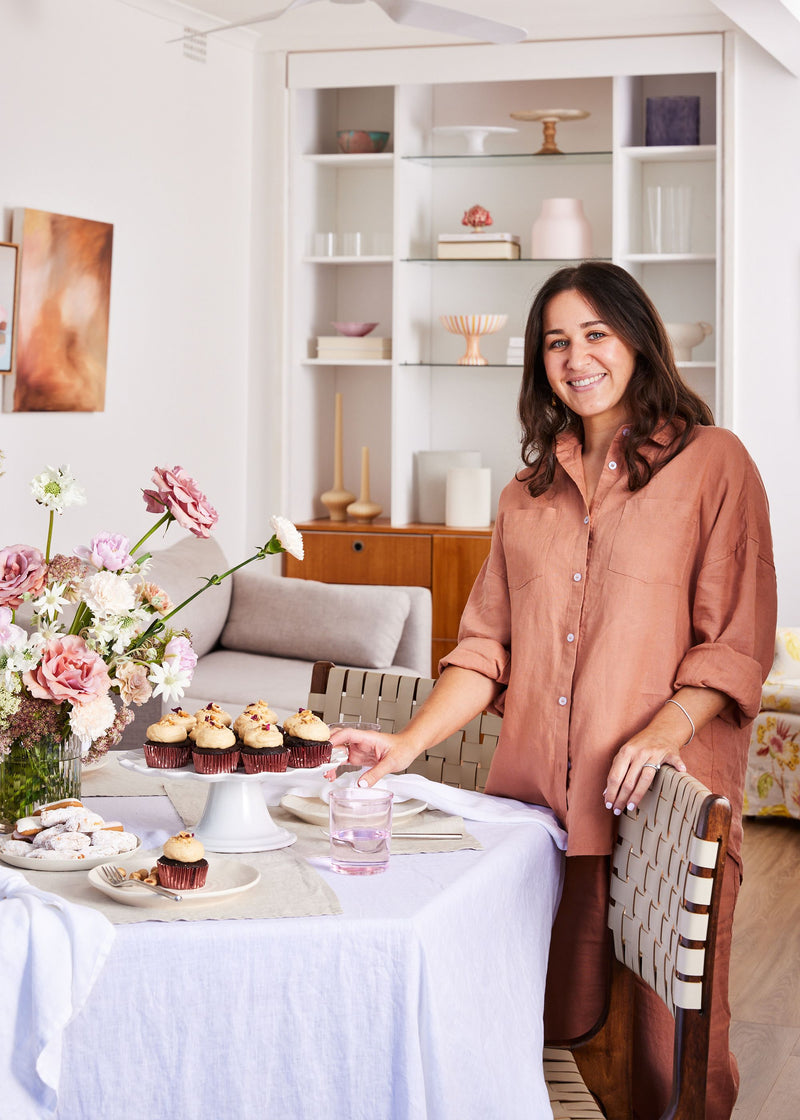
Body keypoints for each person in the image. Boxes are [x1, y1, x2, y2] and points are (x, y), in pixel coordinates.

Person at [331, 261, 777, 1119]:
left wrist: (662, 731)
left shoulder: (713, 464)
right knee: (531, 1027)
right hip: (542, 818)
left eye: (596, 335)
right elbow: (483, 652)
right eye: (556, 343)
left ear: (639, 340)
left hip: (662, 811)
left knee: (666, 1052)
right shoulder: (525, 495)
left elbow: (736, 641)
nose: (577, 358)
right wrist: (406, 745)